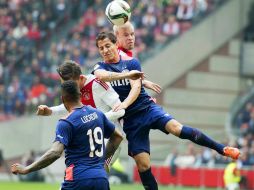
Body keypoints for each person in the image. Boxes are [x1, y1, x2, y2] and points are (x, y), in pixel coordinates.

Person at [93, 32, 240, 190]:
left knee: (176, 128)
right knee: (143, 165)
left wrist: (125, 103)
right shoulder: (99, 67)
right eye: (101, 48)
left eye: (108, 45)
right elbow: (102, 76)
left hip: (147, 109)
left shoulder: (132, 63)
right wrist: (129, 76)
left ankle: (222, 149)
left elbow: (136, 88)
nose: (105, 50)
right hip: (130, 121)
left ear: (116, 45)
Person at [11, 80, 123, 190]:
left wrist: (27, 169)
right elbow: (118, 137)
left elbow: (55, 152)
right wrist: (101, 161)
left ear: (63, 99)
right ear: (80, 95)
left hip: (78, 179)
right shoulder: (97, 113)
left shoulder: (66, 122)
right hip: (101, 178)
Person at [36, 60, 142, 171]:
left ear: (81, 78)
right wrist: (49, 111)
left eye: (69, 83)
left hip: (110, 139)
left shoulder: (97, 84)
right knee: (82, 175)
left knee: (96, 171)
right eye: (64, 83)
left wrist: (96, 119)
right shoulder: (74, 90)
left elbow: (120, 110)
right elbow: (68, 105)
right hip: (91, 140)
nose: (66, 87)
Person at [113, 22, 162, 94]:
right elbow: (121, 85)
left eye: (132, 34)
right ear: (116, 37)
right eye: (126, 35)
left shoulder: (126, 55)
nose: (130, 38)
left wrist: (142, 82)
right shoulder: (118, 56)